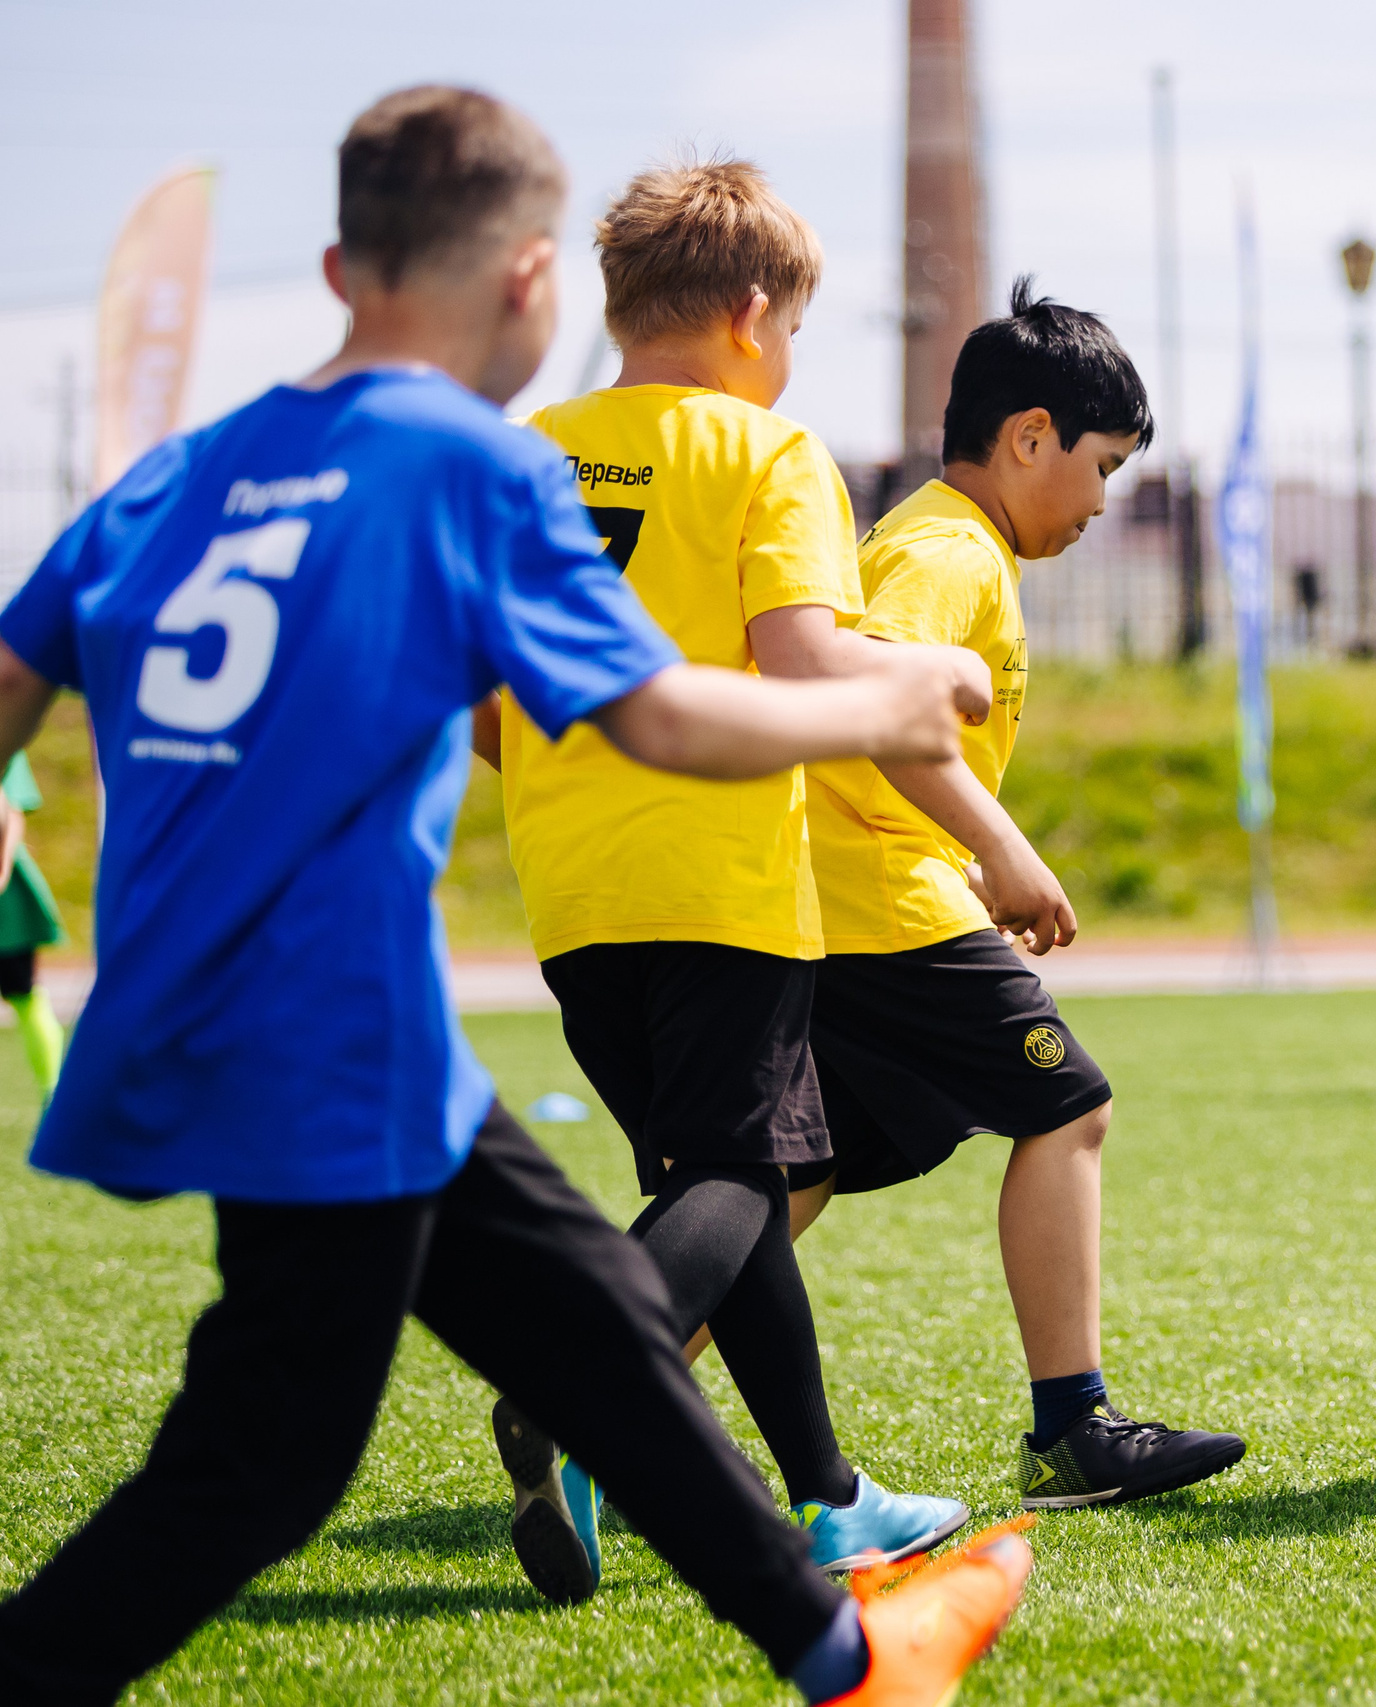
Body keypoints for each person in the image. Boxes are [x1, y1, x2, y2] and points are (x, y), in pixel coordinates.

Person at [0, 87, 1027, 1707]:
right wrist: (896, 700)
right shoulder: (471, 466)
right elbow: (660, 715)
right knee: (264, 1456)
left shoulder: (173, 473)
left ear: (336, 267)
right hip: (331, 1025)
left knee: (585, 1326)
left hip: (250, 1012)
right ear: (535, 278)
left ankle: (843, 1653)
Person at [474, 156, 977, 1601]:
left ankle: (829, 1499)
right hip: (727, 876)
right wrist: (924, 686)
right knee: (748, 1173)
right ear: (755, 314)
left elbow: (481, 701)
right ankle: (577, 1382)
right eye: (797, 329)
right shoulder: (768, 451)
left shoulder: (522, 458)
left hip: (574, 889)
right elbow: (804, 661)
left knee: (719, 1183)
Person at [791, 280, 1248, 1510]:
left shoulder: (938, 538)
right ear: (1031, 437)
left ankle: (590, 1394)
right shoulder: (948, 551)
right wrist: (999, 849)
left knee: (792, 1175)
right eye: (1102, 468)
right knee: (1068, 1107)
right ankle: (1075, 1429)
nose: (1101, 501)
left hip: (834, 899)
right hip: (885, 895)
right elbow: (872, 697)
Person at [0, 752, 68, 1099]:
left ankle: (53, 1091)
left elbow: (10, 810)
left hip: (6, 904)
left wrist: (2, 869)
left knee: (24, 992)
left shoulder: (7, 733)